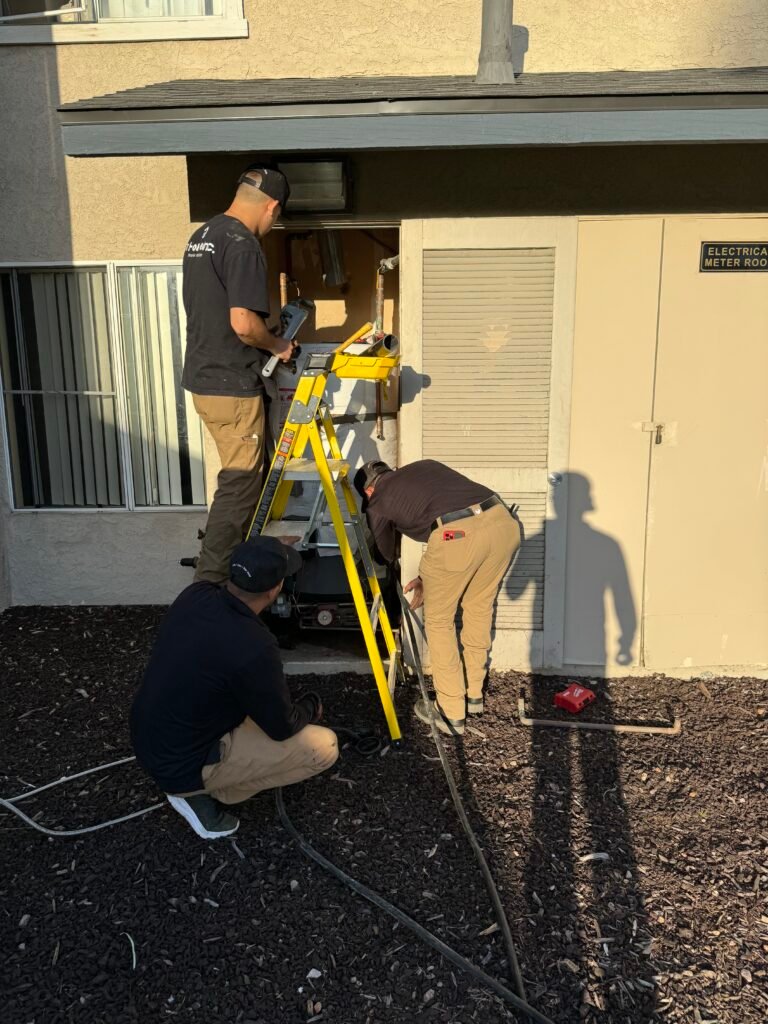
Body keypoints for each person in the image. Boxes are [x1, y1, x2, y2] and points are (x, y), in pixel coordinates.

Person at [130, 535, 339, 840]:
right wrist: (311, 704)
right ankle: (200, 791)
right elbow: (283, 726)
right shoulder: (255, 645)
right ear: (275, 589)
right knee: (324, 746)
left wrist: (265, 551)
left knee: (246, 703)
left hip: (149, 736)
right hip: (183, 763)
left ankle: (210, 779)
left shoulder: (195, 595)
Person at [182, 165, 296, 585]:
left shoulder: (203, 236)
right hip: (232, 383)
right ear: (271, 206)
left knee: (239, 478)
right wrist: (279, 345)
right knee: (242, 484)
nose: (272, 224)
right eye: (276, 217)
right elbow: (244, 324)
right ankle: (211, 586)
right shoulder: (243, 244)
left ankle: (228, 574)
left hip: (205, 379)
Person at [355, 459, 520, 737]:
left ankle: (451, 712)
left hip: (457, 535)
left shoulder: (378, 501)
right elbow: (451, 527)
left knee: (440, 622)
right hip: (503, 523)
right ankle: (474, 695)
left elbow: (385, 553)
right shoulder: (424, 467)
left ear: (369, 491)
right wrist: (427, 577)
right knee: (478, 607)